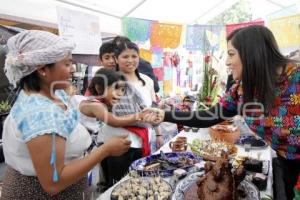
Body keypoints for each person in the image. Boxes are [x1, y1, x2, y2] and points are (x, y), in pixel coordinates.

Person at [144, 25, 300, 200]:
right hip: (285, 160)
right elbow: (209, 115)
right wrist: (165, 115)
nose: (226, 61)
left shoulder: (296, 79)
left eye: (231, 54)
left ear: (252, 53)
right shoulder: (241, 89)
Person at [1, 30, 131, 199]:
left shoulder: (52, 93)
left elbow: (72, 108)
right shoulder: (40, 115)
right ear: (42, 70)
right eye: (67, 64)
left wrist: (90, 106)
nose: (73, 69)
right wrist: (105, 150)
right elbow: (53, 182)